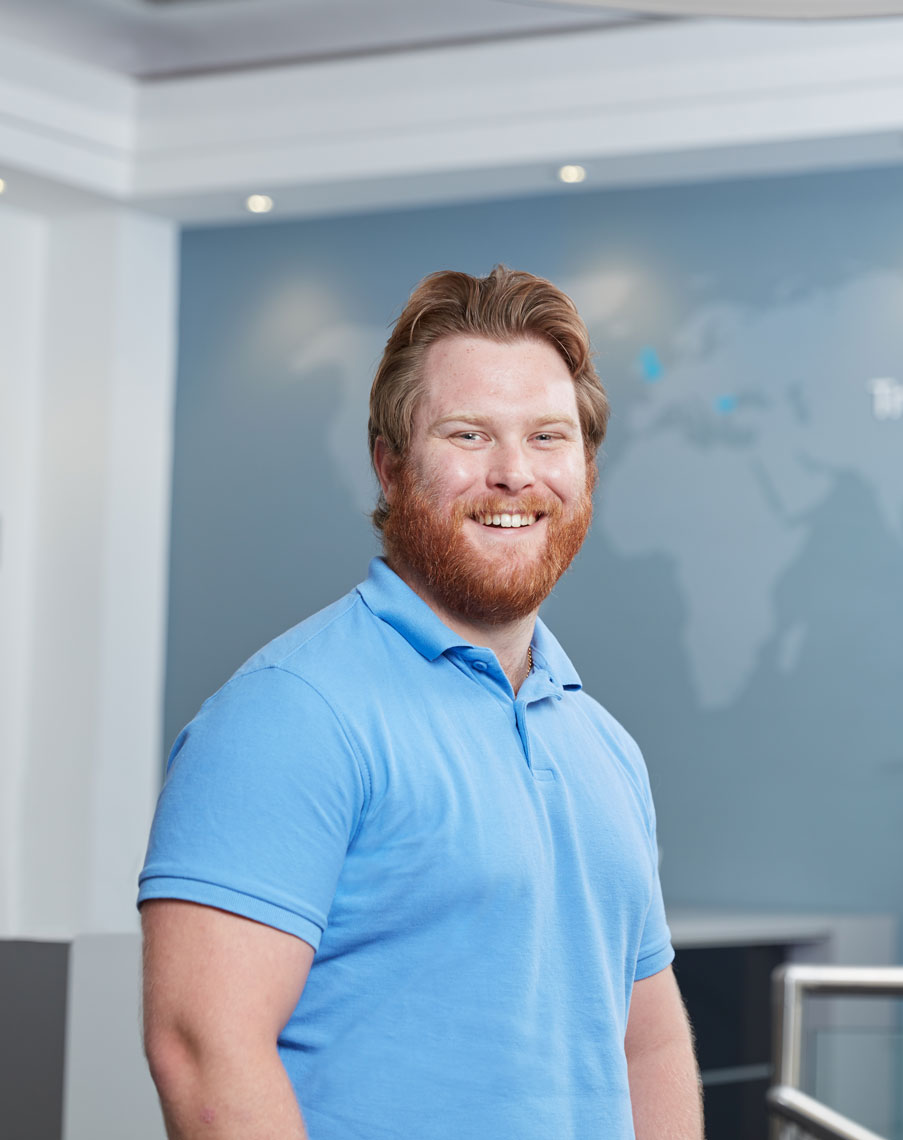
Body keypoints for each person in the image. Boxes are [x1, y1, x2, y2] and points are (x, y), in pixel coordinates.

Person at [138, 266, 703, 1139]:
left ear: (586, 467)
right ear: (390, 464)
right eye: (469, 434)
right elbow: (202, 1050)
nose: (514, 474)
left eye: (547, 437)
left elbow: (646, 1047)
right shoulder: (287, 715)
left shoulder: (606, 748)